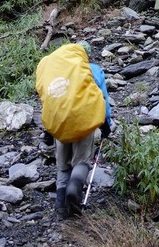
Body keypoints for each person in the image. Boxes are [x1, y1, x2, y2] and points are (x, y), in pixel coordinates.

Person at [36, 41, 112, 219]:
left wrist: (48, 131)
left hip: (59, 123)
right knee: (81, 162)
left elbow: (50, 101)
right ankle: (73, 193)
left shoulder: (56, 72)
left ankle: (62, 209)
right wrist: (106, 124)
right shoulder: (90, 69)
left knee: (63, 167)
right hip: (83, 118)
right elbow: (102, 97)